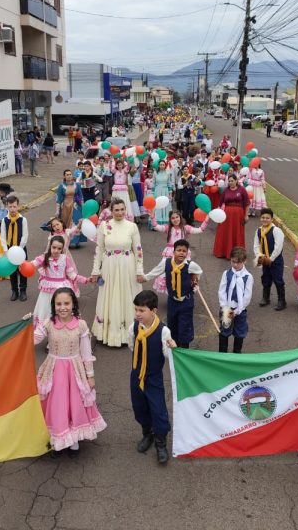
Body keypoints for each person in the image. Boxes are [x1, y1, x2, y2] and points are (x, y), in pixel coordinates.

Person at [28, 288, 106, 456]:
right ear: (53, 305)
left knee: (74, 404)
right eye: (58, 304)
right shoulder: (48, 323)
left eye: (66, 303)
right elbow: (33, 339)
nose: (62, 307)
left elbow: (86, 353)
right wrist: (24, 327)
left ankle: (73, 439)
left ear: (73, 304)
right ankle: (57, 438)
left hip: (75, 370)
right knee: (57, 405)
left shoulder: (81, 325)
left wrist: (90, 376)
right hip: (54, 368)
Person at [128, 290, 177, 465]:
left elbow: (167, 354)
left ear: (154, 311)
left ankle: (160, 443)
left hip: (153, 378)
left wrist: (172, 347)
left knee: (158, 409)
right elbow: (131, 346)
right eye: (136, 310)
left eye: (142, 310)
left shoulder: (163, 331)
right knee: (139, 406)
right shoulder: (133, 328)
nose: (137, 314)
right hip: (136, 375)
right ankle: (146, 434)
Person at [90, 199, 145, 347]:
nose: (120, 213)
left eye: (122, 209)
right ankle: (110, 333)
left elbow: (138, 250)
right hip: (109, 266)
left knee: (127, 295)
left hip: (128, 266)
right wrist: (96, 270)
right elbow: (99, 249)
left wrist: (139, 271)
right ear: (111, 211)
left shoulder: (132, 226)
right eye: (117, 210)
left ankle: (129, 333)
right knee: (110, 295)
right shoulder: (104, 226)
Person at [144, 239, 202, 349]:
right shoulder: (166, 263)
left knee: (185, 326)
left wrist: (195, 279)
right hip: (172, 301)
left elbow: (199, 271)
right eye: (179, 250)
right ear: (173, 252)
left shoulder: (191, 265)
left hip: (186, 301)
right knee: (172, 323)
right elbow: (156, 271)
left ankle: (184, 350)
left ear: (187, 253)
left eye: (184, 251)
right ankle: (174, 348)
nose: (181, 253)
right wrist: (145, 278)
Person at [26, 235, 88, 327]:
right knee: (46, 313)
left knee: (61, 312)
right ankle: (46, 333)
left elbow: (72, 275)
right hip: (48, 290)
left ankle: (61, 332)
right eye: (54, 247)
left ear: (62, 249)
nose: (56, 250)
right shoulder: (43, 257)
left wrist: (86, 280)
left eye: (59, 248)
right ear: (50, 246)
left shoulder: (65, 259)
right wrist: (22, 264)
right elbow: (31, 265)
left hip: (62, 289)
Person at [149, 209, 207, 295]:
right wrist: (152, 217)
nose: (175, 219)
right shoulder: (168, 228)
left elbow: (200, 229)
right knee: (167, 271)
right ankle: (171, 293)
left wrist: (206, 220)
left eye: (177, 217)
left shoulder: (186, 228)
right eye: (173, 218)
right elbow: (156, 226)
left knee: (184, 271)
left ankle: (185, 290)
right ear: (170, 220)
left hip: (182, 253)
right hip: (170, 253)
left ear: (180, 217)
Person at [218, 246, 253, 353]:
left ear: (244, 261)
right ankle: (222, 356)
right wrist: (225, 308)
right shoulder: (226, 273)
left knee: (239, 333)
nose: (235, 265)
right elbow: (222, 290)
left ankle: (236, 355)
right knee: (224, 331)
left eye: (238, 262)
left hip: (240, 310)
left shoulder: (248, 277)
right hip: (227, 309)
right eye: (233, 262)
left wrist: (237, 311)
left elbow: (247, 296)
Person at [253, 208, 286, 311]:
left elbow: (278, 247)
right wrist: (259, 256)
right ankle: (265, 298)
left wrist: (271, 259)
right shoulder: (258, 230)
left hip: (275, 260)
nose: (265, 219)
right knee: (265, 278)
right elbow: (256, 245)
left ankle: (282, 301)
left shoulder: (276, 230)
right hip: (264, 259)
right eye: (263, 217)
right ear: (260, 218)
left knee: (278, 280)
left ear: (272, 219)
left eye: (267, 218)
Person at [213, 174, 250, 259]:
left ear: (236, 181)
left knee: (237, 232)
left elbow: (247, 203)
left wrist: (246, 215)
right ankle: (224, 252)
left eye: (232, 181)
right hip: (226, 215)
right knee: (225, 232)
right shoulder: (226, 190)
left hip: (238, 215)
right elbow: (220, 203)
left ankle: (237, 253)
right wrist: (217, 214)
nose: (230, 183)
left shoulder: (242, 190)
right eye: (229, 181)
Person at [0, 195, 29, 302]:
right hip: (9, 249)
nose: (12, 209)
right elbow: (2, 236)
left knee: (22, 270)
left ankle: (23, 290)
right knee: (12, 270)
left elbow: (25, 235)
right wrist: (6, 250)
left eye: (14, 206)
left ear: (18, 206)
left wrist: (19, 249)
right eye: (10, 206)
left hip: (21, 249)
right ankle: (14, 290)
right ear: (7, 206)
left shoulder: (23, 220)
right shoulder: (4, 220)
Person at [56, 170, 85, 248]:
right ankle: (66, 240)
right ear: (64, 176)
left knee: (76, 222)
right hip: (65, 206)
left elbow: (80, 196)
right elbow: (59, 199)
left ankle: (76, 241)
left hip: (75, 205)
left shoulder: (77, 185)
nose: (69, 176)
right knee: (66, 223)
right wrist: (57, 210)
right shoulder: (61, 186)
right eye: (67, 175)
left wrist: (83, 206)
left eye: (70, 174)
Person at [152, 160, 173, 225]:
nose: (162, 166)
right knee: (157, 205)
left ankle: (165, 222)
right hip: (157, 191)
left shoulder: (168, 173)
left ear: (165, 165)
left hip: (165, 191)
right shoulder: (155, 173)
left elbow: (169, 183)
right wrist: (152, 194)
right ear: (158, 165)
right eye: (160, 164)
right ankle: (156, 222)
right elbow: (153, 183)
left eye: (163, 164)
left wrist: (170, 194)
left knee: (166, 205)